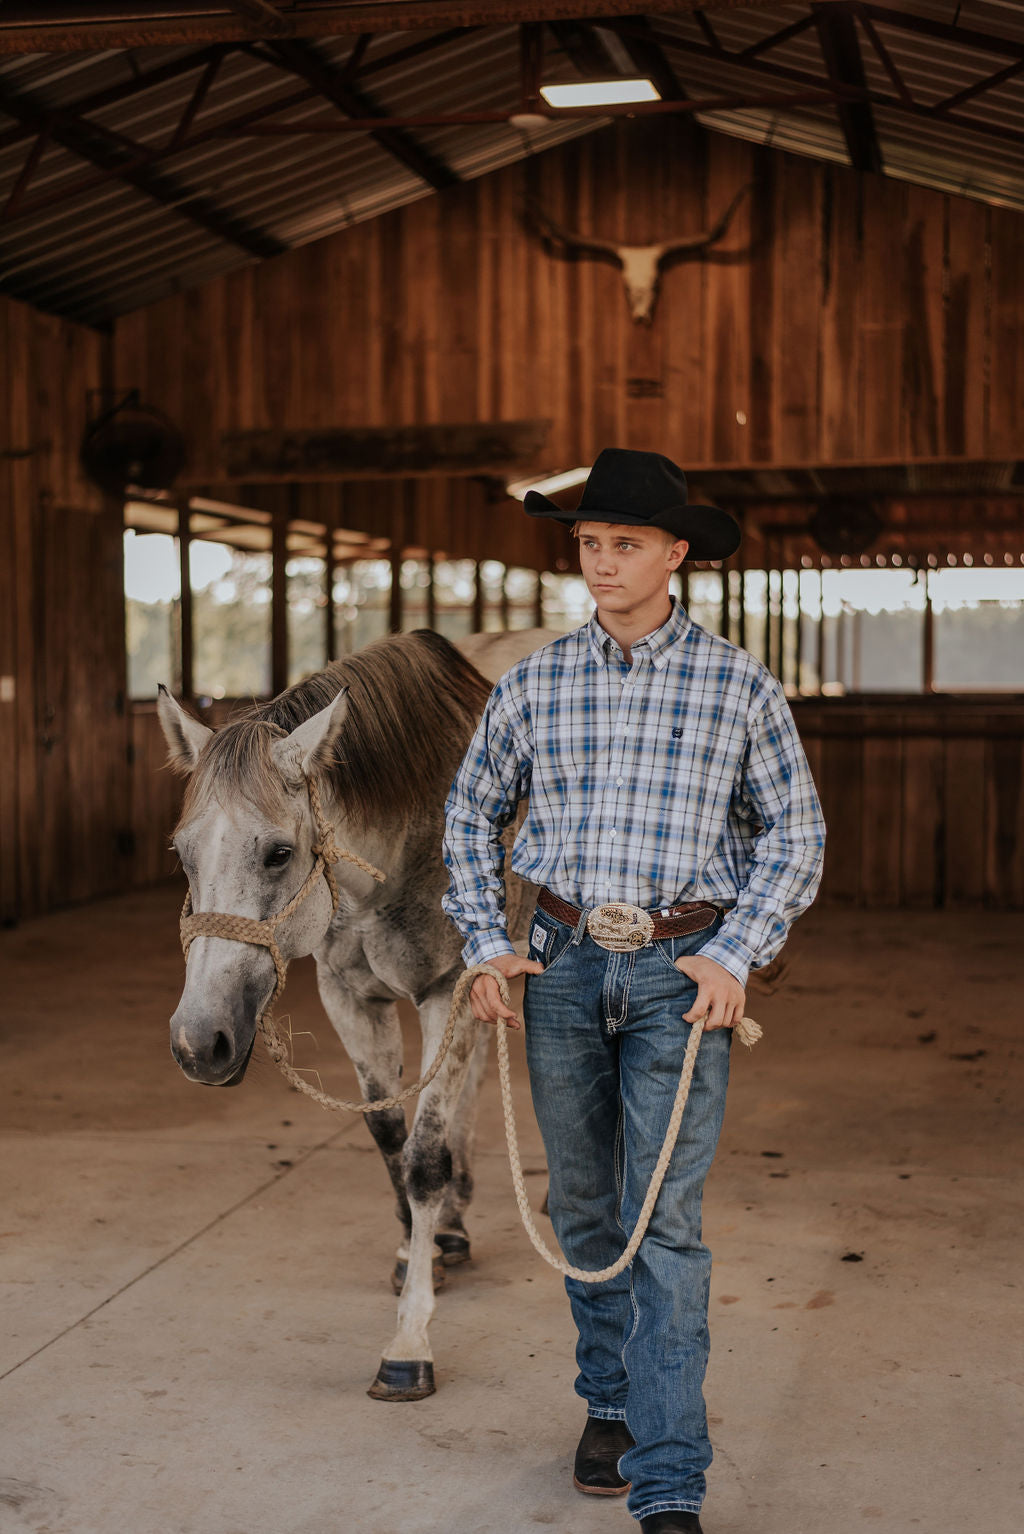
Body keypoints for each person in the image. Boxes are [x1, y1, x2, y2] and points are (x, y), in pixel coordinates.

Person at [441, 448, 826, 1533]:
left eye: (625, 543)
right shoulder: (534, 684)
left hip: (677, 972)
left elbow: (793, 831)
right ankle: (608, 1403)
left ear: (676, 554)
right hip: (561, 963)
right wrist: (486, 940)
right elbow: (469, 814)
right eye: (588, 543)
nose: (602, 562)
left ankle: (669, 1473)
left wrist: (735, 951)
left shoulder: (738, 685)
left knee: (664, 1222)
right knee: (583, 1204)